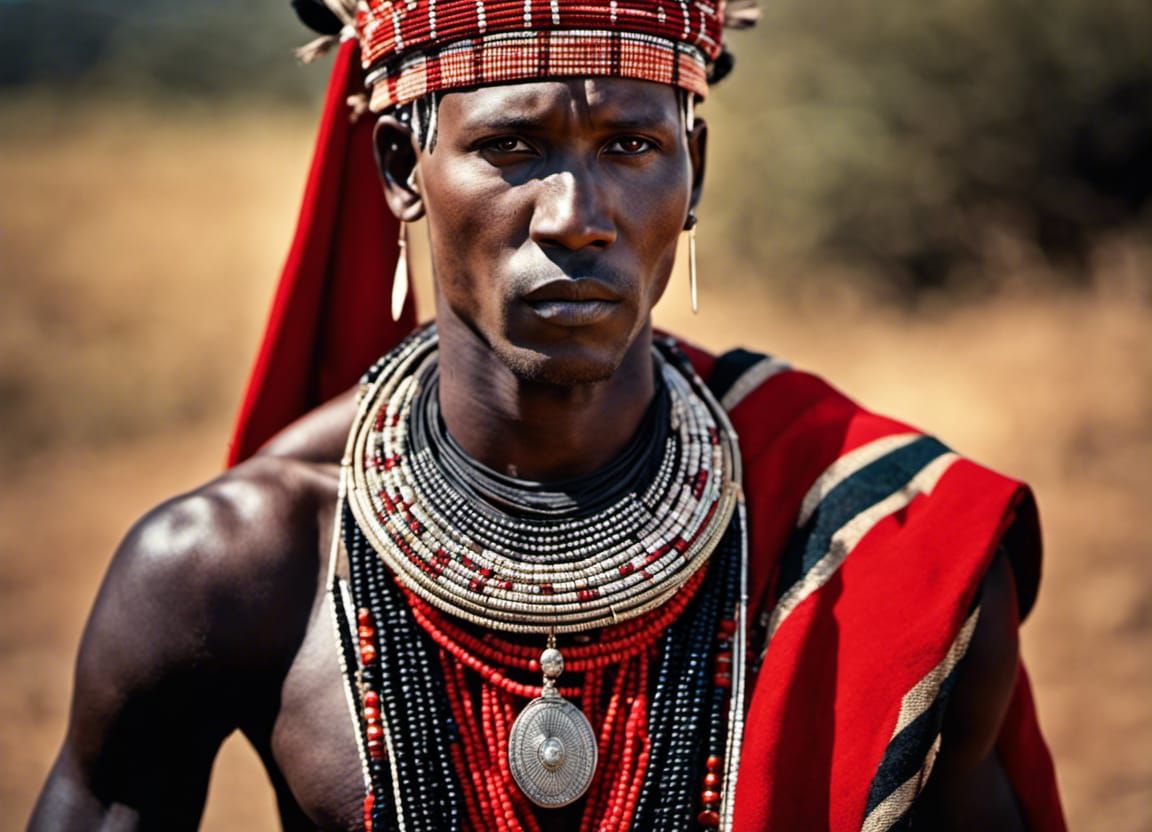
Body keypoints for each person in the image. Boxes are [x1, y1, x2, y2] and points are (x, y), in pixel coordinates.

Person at [30, 0, 1066, 829]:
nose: (576, 217)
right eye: (516, 146)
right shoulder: (235, 573)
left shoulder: (872, 549)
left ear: (692, 171)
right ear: (401, 168)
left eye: (629, 146)